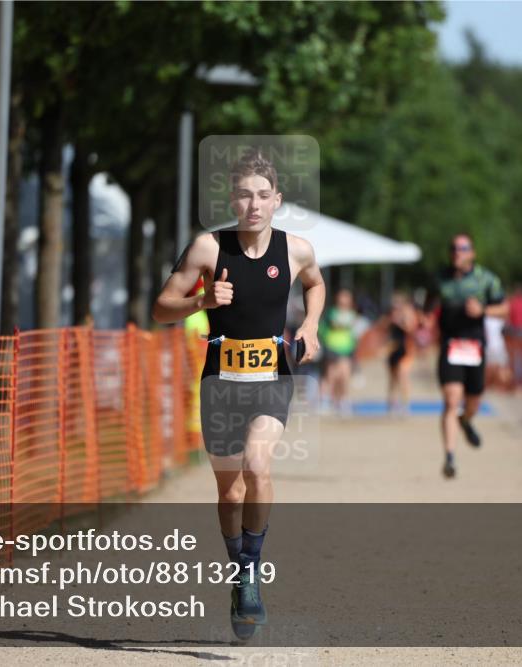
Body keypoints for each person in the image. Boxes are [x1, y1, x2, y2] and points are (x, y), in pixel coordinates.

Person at [152, 149, 325, 638]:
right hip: (221, 384)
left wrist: (311, 325)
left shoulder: (296, 249)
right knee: (229, 492)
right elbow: (160, 308)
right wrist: (201, 300)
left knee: (257, 466)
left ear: (277, 200)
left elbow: (315, 284)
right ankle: (238, 571)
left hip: (272, 377)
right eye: (245, 195)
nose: (254, 205)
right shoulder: (208, 248)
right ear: (232, 199)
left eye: (263, 195)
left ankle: (251, 571)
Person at [424, 233, 508, 479]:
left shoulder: (486, 279)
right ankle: (450, 457)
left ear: (472, 253)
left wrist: (483, 310)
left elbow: (505, 309)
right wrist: (424, 319)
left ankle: (466, 420)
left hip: (475, 346)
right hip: (450, 345)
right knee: (451, 400)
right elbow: (427, 306)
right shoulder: (440, 278)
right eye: (453, 248)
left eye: (462, 248)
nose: (456, 253)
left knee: (473, 403)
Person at [319, 288, 359, 416]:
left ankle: (342, 401)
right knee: (330, 375)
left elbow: (353, 329)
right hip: (332, 347)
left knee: (344, 376)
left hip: (347, 349)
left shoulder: (352, 314)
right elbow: (335, 324)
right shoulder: (331, 312)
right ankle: (325, 402)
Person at [383, 292, 418, 415]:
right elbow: (383, 329)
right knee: (393, 378)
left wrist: (400, 322)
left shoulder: (408, 314)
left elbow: (411, 329)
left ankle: (405, 404)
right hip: (393, 349)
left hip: (405, 349)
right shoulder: (390, 315)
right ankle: (391, 403)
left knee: (403, 376)